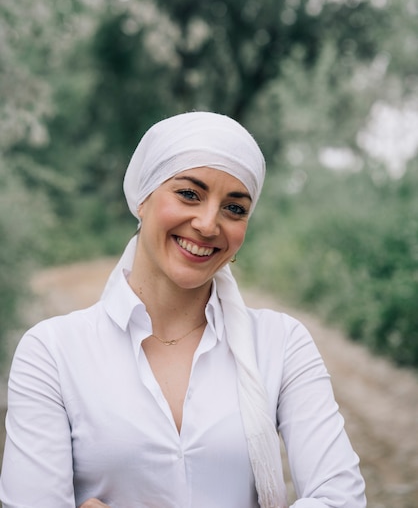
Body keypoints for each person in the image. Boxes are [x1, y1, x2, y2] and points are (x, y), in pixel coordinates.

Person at [0, 111, 366, 508]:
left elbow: (339, 498)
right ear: (143, 197)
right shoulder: (52, 353)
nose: (209, 224)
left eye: (235, 208)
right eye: (189, 194)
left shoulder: (282, 344)